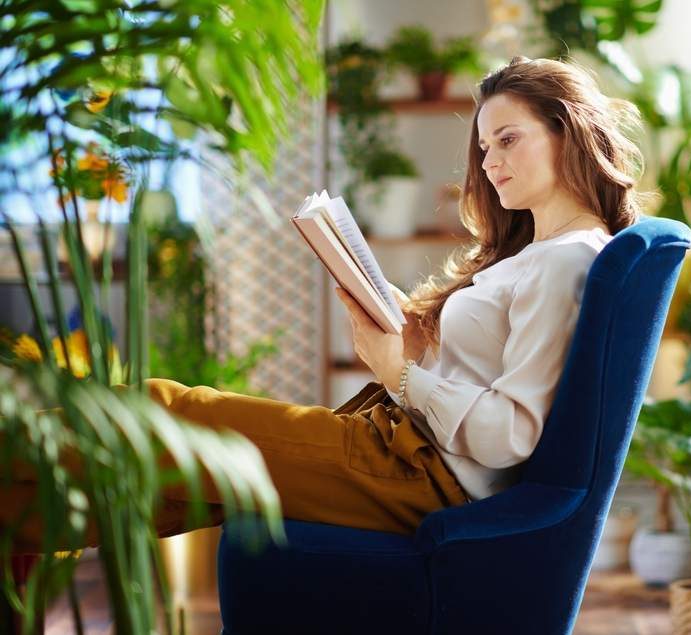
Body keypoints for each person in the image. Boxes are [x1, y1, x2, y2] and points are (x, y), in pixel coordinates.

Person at [5, 56, 648, 550]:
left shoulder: (568, 259)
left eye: (508, 140)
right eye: (484, 148)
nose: (491, 162)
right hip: (406, 452)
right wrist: (412, 328)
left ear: (566, 133)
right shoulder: (543, 251)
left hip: (423, 476)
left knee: (165, 408)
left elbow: (512, 436)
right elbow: (488, 366)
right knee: (177, 486)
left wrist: (398, 372)